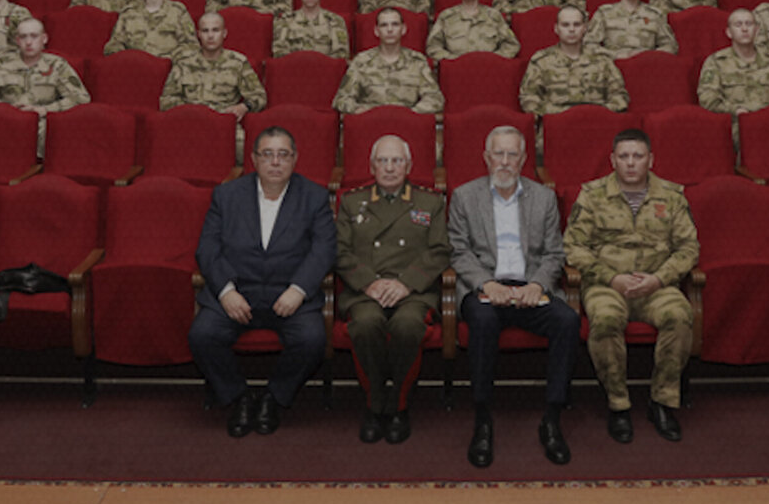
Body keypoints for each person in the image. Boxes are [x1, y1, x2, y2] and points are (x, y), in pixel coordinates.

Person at [189, 125, 336, 438]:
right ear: (254, 159)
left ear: (295, 159)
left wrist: (298, 289)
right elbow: (207, 249)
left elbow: (324, 249)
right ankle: (238, 397)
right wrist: (226, 292)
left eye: (283, 154)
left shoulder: (314, 196)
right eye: (267, 154)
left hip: (289, 294)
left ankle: (274, 397)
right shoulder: (226, 195)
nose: (275, 162)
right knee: (202, 335)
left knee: (312, 340)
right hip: (238, 293)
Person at [448, 124, 579, 467]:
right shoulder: (464, 196)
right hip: (486, 289)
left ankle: (552, 417)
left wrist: (537, 285)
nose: (504, 161)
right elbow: (459, 252)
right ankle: (483, 419)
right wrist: (485, 284)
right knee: (482, 321)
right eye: (498, 154)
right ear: (486, 157)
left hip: (529, 288)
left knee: (567, 320)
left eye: (512, 154)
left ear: (523, 159)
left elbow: (554, 254)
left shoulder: (544, 198)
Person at [563, 128, 699, 443]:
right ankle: (618, 404)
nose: (631, 163)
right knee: (606, 319)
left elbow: (688, 248)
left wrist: (659, 279)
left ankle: (662, 402)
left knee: (680, 316)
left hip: (656, 285)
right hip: (607, 284)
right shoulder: (593, 195)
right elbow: (573, 246)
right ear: (612, 160)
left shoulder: (672, 196)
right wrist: (611, 277)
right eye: (624, 156)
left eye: (638, 156)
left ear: (651, 159)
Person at [336, 135, 450, 444]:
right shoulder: (351, 202)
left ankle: (398, 404)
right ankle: (374, 403)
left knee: (408, 325)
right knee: (365, 324)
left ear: (409, 166)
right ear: (371, 166)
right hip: (365, 289)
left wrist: (406, 283)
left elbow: (440, 250)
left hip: (412, 290)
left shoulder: (430, 202)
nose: (389, 168)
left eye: (397, 161)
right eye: (383, 161)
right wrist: (369, 282)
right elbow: (339, 251)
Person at [0, 17, 90, 155]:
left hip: (43, 128)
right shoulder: (3, 64)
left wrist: (44, 109)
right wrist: (6, 109)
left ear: (44, 39)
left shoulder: (57, 65)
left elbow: (81, 98)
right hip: (6, 126)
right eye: (23, 37)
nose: (28, 42)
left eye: (34, 36)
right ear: (17, 41)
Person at [160, 12, 266, 161]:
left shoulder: (238, 62)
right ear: (198, 34)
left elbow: (259, 96)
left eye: (215, 30)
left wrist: (244, 106)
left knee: (249, 151)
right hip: (188, 123)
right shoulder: (184, 63)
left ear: (224, 33)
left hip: (223, 123)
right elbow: (167, 99)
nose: (210, 36)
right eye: (205, 31)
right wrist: (191, 112)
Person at [697, 9, 769, 131]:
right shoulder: (716, 62)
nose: (744, 29)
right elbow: (708, 99)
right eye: (738, 25)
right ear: (729, 32)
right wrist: (735, 111)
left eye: (749, 24)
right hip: (735, 126)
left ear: (756, 30)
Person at [518, 5, 629, 114]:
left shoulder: (602, 60)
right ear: (556, 29)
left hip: (596, 121)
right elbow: (529, 99)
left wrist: (598, 113)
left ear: (585, 28)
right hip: (556, 121)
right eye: (565, 25)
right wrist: (561, 114)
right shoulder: (542, 61)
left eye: (577, 24)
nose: (571, 29)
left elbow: (619, 96)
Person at [333, 7, 444, 114]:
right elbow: (342, 99)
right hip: (371, 122)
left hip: (406, 122)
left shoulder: (418, 61)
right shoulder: (361, 61)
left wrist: (412, 113)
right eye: (384, 25)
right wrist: (362, 111)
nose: (390, 30)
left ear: (403, 29)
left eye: (395, 24)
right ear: (376, 31)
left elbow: (435, 98)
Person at [104, 0, 199, 61]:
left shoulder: (178, 11)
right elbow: (114, 44)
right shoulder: (128, 12)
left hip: (169, 65)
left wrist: (169, 59)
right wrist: (127, 58)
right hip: (134, 65)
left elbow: (191, 45)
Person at [584, 0, 677, 59]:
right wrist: (614, 55)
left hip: (646, 63)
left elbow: (671, 46)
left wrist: (649, 55)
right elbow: (588, 44)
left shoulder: (655, 15)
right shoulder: (604, 13)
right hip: (612, 63)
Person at [426, 0, 520, 61]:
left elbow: (511, 44)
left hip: (489, 68)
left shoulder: (494, 15)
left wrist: (494, 59)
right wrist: (453, 61)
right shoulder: (446, 16)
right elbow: (433, 46)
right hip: (457, 68)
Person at [271, 0, 350, 58]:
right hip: (293, 66)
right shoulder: (285, 20)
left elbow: (341, 55)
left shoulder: (335, 21)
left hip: (325, 66)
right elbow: (279, 53)